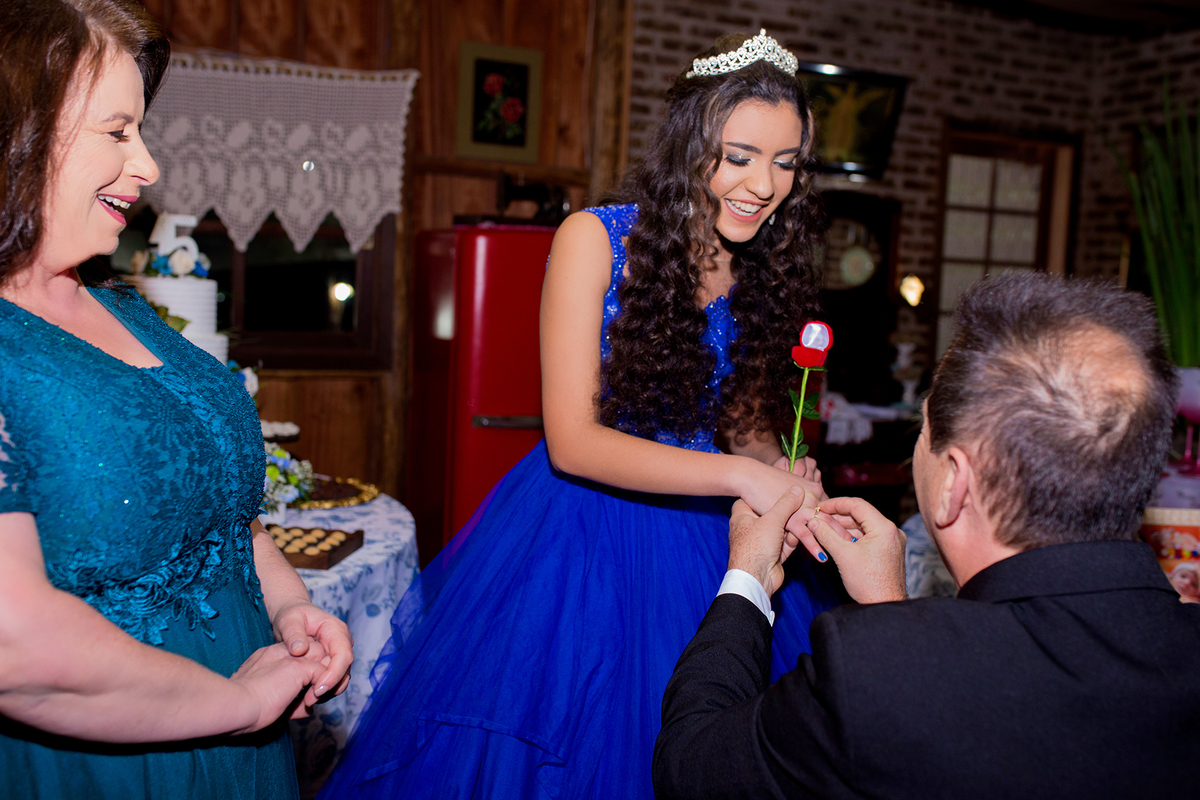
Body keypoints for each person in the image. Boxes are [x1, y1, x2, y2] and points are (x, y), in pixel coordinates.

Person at [318, 30, 838, 800]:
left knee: (705, 735)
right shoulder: (596, 238)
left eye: (785, 163)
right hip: (580, 535)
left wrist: (789, 479)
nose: (763, 184)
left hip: (704, 539)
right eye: (739, 156)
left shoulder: (762, 266)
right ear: (690, 146)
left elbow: (752, 431)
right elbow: (571, 441)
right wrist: (741, 474)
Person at [654, 272, 1200, 800]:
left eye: (925, 430)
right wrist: (891, 610)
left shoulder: (870, 670)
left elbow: (690, 764)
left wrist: (747, 577)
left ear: (953, 485)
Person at [0, 1, 352, 797]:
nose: (148, 164)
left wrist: (290, 613)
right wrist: (233, 702)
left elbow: (222, 515)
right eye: (118, 131)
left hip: (244, 742)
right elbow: (14, 648)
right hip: (99, 763)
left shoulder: (122, 306)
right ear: (18, 128)